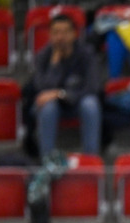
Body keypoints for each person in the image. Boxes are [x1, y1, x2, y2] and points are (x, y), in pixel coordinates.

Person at [23, 13, 102, 158]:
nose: (60, 37)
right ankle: (47, 162)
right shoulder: (43, 56)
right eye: (56, 33)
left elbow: (92, 87)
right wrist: (54, 65)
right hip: (54, 107)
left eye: (65, 32)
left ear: (74, 34)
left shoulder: (87, 54)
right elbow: (41, 89)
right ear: (50, 35)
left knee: (90, 104)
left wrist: (61, 94)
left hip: (78, 103)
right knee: (47, 106)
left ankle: (91, 161)